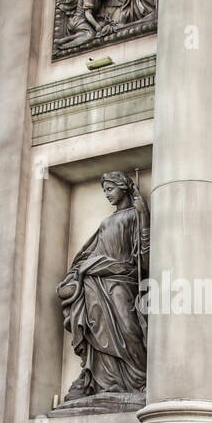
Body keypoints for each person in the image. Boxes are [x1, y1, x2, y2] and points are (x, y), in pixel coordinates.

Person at [56, 172, 148, 402]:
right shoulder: (106, 222)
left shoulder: (135, 215)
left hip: (122, 280)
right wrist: (76, 275)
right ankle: (103, 381)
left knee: (128, 327)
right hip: (95, 282)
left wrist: (144, 216)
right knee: (97, 328)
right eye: (104, 190)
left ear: (123, 187)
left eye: (110, 189)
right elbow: (91, 252)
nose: (107, 194)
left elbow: (144, 255)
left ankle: (139, 378)